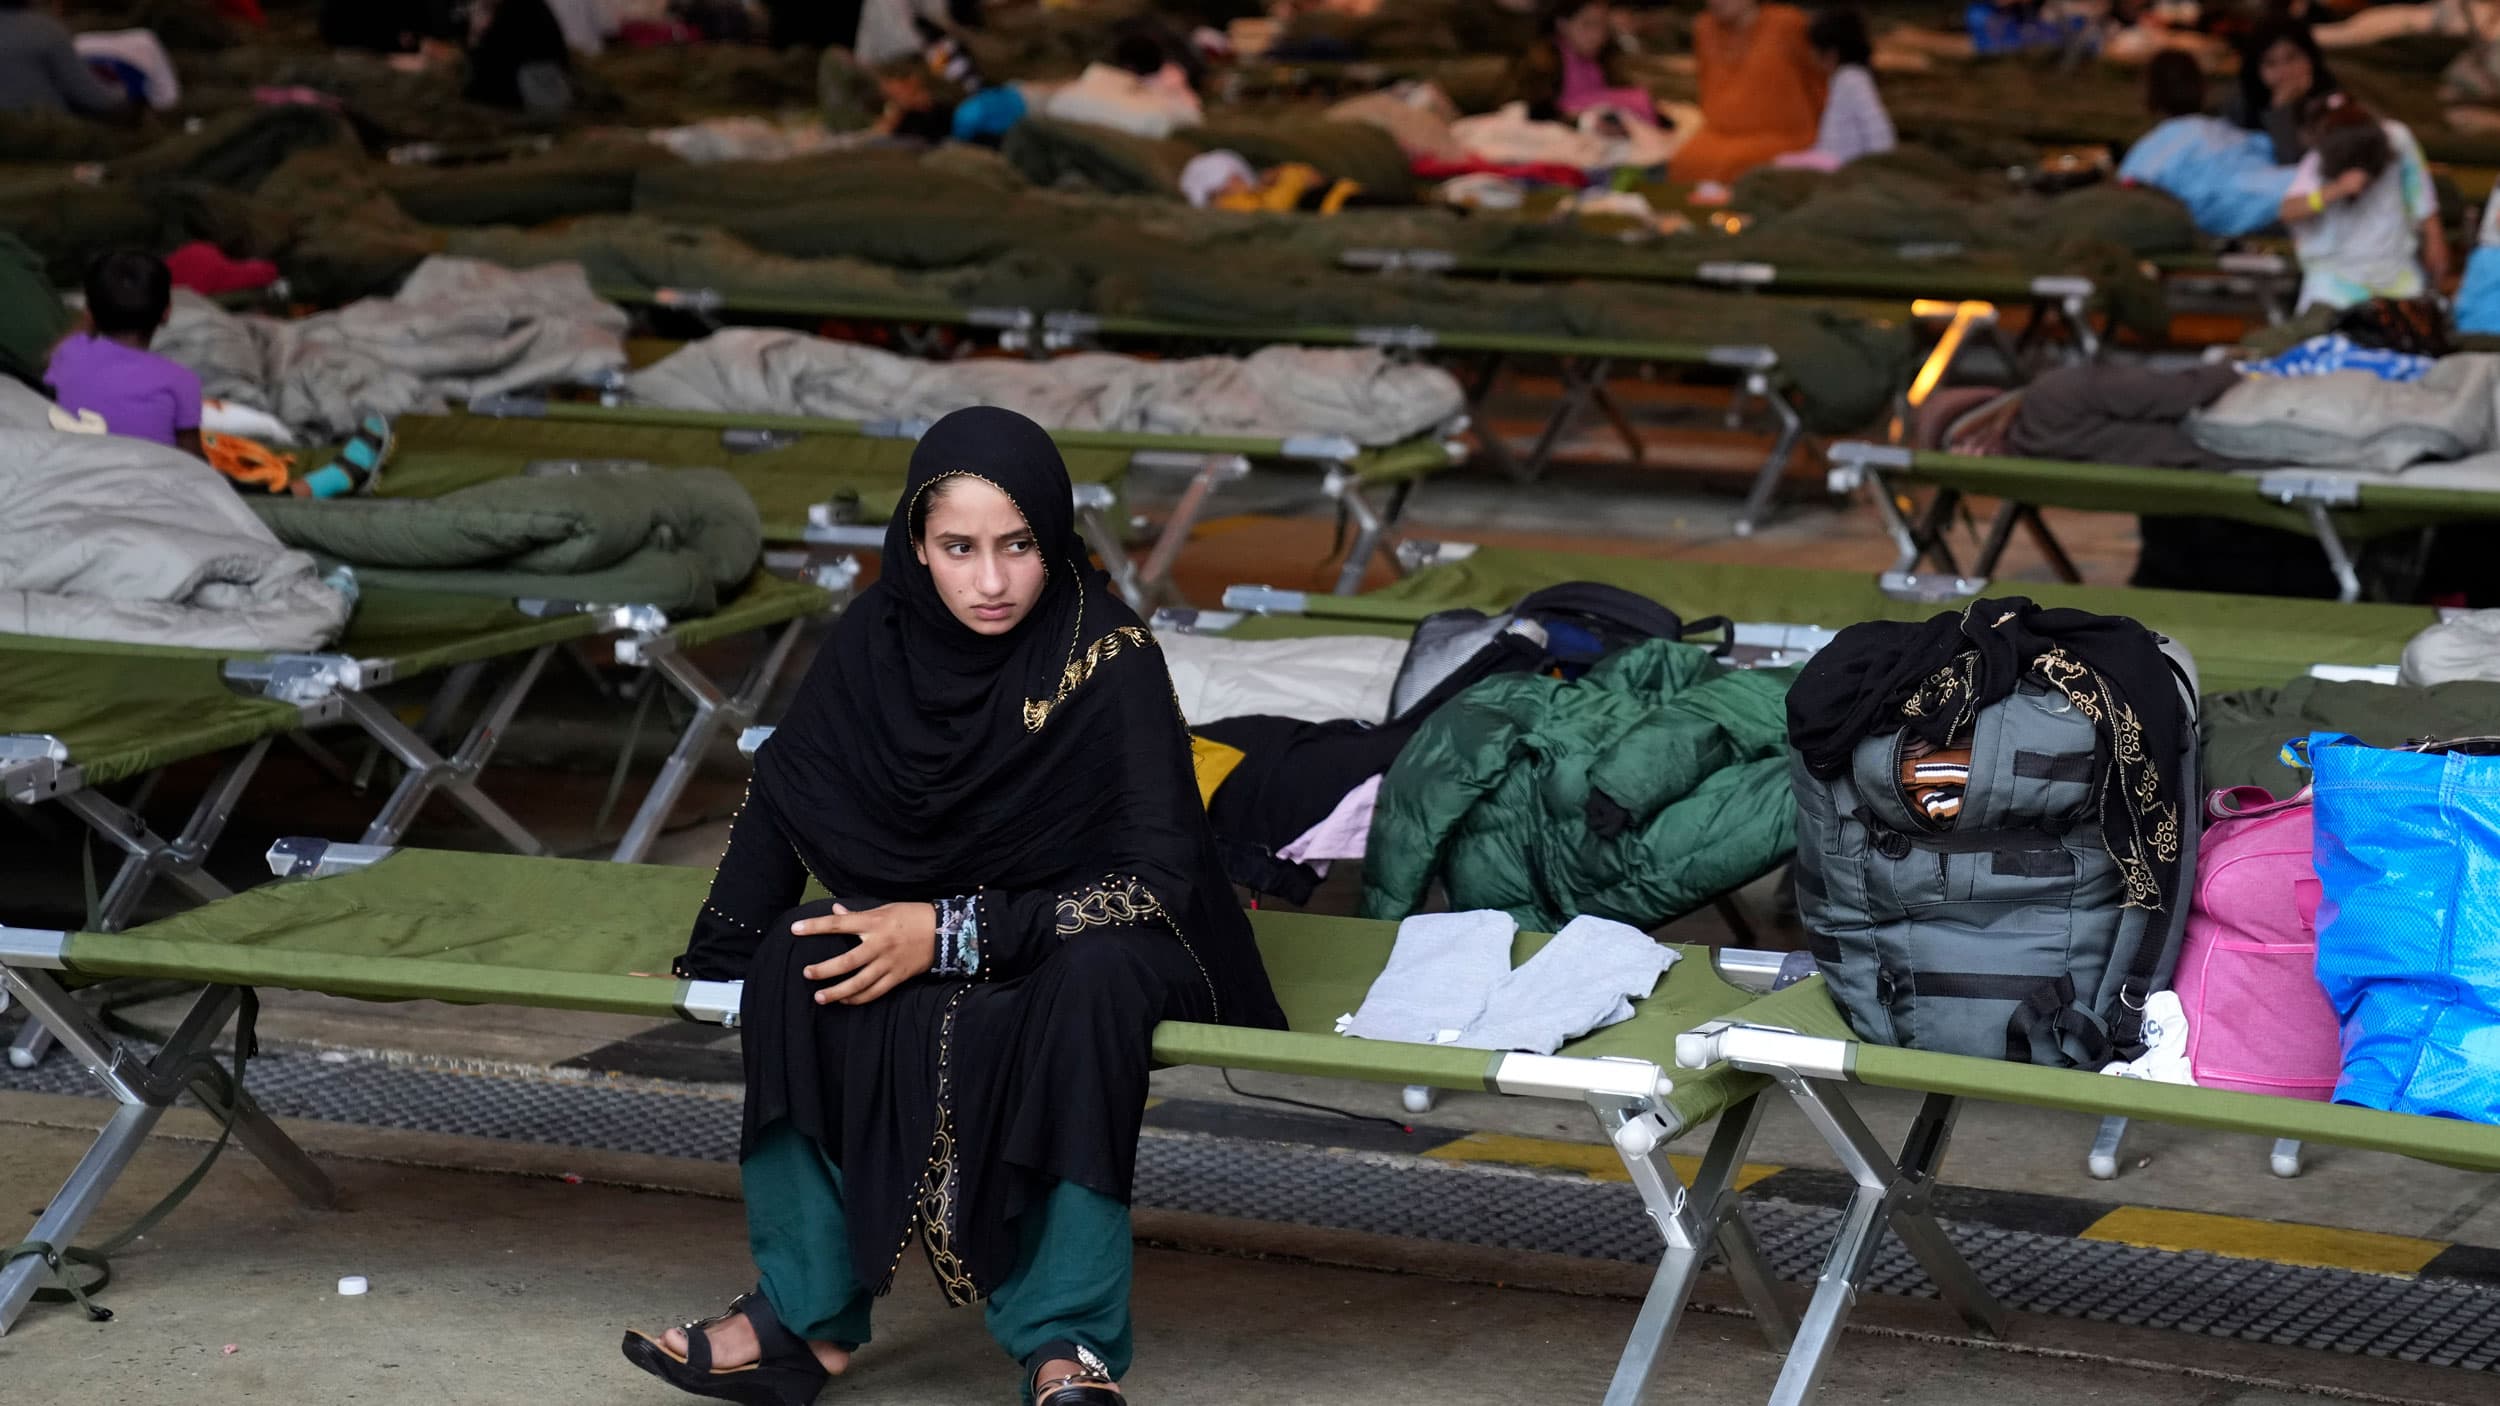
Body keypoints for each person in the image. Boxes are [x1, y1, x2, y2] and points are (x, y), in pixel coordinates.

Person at [623, 407, 1287, 1406]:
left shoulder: (1108, 655)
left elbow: (1156, 879)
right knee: (791, 961)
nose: (990, 580)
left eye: (1018, 545)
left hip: (1091, 931)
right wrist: (722, 950)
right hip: (922, 915)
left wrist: (950, 929)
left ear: (1053, 535)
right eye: (958, 547)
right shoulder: (875, 636)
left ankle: (1068, 1340)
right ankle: (803, 1317)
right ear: (914, 544)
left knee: (1089, 992)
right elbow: (789, 783)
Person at [2279, 93, 2446, 310]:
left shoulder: (2396, 138)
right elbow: (2287, 211)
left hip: (2396, 272)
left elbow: (2420, 190)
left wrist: (2435, 237)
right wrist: (2335, 190)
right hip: (2336, 278)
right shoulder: (2318, 159)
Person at [2116, 49, 2296, 237]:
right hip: (2281, 201)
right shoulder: (2225, 132)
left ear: (2148, 98)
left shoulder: (2145, 153)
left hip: (2256, 213)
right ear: (2203, 88)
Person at [47, 250, 201, 454]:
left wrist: (92, 320)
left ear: (88, 313)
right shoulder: (182, 381)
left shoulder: (68, 352)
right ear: (166, 313)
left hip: (77, 470)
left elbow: (54, 360)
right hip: (151, 480)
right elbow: (191, 458)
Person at [1676, 0, 1826, 185]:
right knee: (1684, 160)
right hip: (1719, 135)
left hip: (1784, 135)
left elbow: (1819, 79)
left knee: (1728, 164)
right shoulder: (1704, 27)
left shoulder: (1787, 23)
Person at [1775, 7, 1894, 169]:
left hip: (1842, 165)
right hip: (1832, 159)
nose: (1811, 56)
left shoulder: (1852, 80)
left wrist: (1879, 168)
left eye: (1814, 50)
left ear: (1831, 54)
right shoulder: (1841, 80)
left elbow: (1879, 133)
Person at [1509, 0, 1657, 126]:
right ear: (1562, 24)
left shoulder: (1604, 57)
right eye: (1588, 25)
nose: (1597, 35)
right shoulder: (1544, 60)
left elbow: (1625, 94)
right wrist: (1582, 121)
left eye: (1603, 26)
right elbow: (1533, 114)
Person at [2233, 18, 2337, 164]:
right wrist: (2280, 110)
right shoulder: (2241, 106)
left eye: (2292, 57)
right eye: (2270, 63)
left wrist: (2283, 108)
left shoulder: (2333, 98)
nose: (2284, 72)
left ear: (2310, 57)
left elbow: (2303, 165)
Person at [0, 0, 127, 115]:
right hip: (47, 132)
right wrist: (129, 93)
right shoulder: (44, 31)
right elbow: (96, 98)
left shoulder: (42, 30)